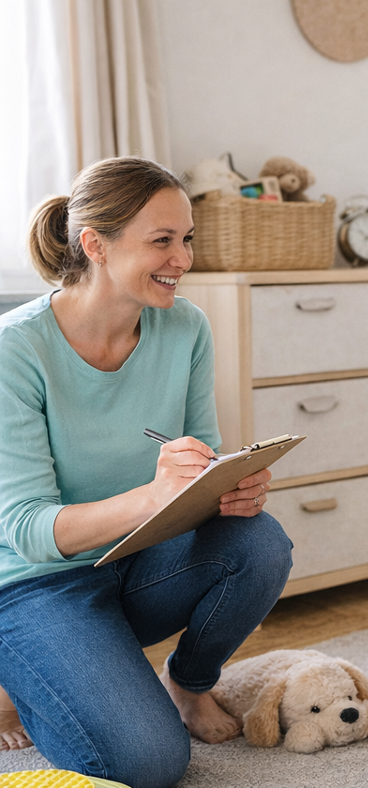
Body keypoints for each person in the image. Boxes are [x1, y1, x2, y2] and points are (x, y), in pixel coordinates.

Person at [0, 157, 293, 787]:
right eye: (161, 241)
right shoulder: (14, 350)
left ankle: (187, 684)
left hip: (137, 560)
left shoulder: (184, 326)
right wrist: (155, 494)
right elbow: (26, 529)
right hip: (36, 584)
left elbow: (200, 461)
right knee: (146, 764)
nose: (182, 259)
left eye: (186, 238)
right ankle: (23, 676)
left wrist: (227, 488)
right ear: (95, 245)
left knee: (259, 542)